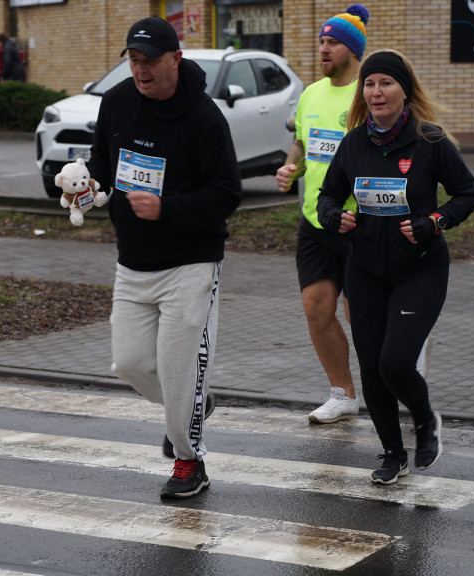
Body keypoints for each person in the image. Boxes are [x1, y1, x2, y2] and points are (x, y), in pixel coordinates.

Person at [88, 16, 242, 499]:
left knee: (178, 371)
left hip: (190, 263)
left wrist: (167, 208)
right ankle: (194, 406)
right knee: (129, 363)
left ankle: (188, 462)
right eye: (134, 61)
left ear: (176, 59)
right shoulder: (115, 104)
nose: (140, 70)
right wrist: (85, 188)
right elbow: (100, 169)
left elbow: (227, 194)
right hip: (132, 263)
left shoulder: (204, 117)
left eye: (149, 61)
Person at [317, 50, 474, 485]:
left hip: (419, 269)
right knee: (371, 368)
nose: (376, 92)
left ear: (404, 91)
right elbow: (326, 198)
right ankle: (393, 453)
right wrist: (337, 218)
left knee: (395, 363)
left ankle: (426, 421)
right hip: (366, 269)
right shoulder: (353, 144)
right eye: (369, 84)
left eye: (386, 83)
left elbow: (467, 193)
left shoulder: (429, 140)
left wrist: (434, 222)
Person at [275, 4, 369, 425]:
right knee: (316, 306)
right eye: (321, 42)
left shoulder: (369, 93)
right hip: (315, 221)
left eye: (332, 42)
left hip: (360, 223)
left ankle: (396, 377)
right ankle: (342, 393)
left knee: (363, 314)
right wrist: (291, 165)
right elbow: (302, 140)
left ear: (352, 49)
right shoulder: (311, 93)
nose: (323, 48)